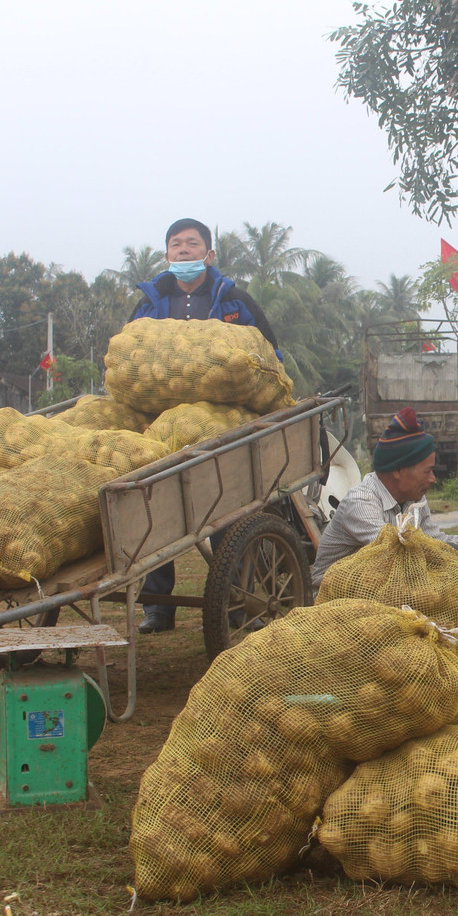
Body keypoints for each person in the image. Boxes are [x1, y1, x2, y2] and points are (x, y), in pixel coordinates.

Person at [133, 217, 281, 634]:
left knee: (226, 506)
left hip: (223, 423)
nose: (183, 250)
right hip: (161, 424)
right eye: (175, 244)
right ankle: (157, 606)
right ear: (166, 255)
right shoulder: (149, 302)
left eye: (192, 244)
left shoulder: (233, 299)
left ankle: (238, 600)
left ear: (209, 254)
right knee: (153, 508)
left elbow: (270, 352)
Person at [310, 407, 458, 586]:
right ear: (399, 470)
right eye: (427, 471)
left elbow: (439, 546)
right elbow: (399, 559)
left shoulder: (415, 501)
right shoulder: (362, 503)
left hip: (381, 590)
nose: (432, 479)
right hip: (335, 598)